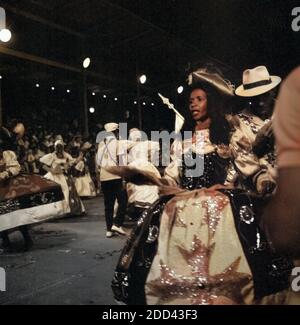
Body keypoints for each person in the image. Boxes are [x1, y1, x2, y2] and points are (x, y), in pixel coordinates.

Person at [111, 67, 294, 305]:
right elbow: (174, 174)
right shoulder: (183, 139)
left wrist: (260, 179)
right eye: (191, 101)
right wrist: (160, 182)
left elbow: (245, 164)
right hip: (181, 208)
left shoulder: (228, 133)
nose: (194, 105)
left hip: (221, 206)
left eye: (199, 99)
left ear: (211, 102)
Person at [0, 127, 65, 251]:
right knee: (1, 216)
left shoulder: (6, 153)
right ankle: (5, 240)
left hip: (9, 187)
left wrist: (4, 174)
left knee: (16, 215)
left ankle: (27, 239)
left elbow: (15, 168)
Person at [262, 67, 300, 258]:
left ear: (271, 94)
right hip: (268, 183)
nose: (260, 101)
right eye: (257, 97)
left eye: (264, 96)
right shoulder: (242, 123)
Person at [231, 66, 281, 195]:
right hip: (262, 190)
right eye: (254, 98)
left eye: (264, 96)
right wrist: (257, 146)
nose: (260, 103)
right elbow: (242, 158)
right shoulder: (239, 122)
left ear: (273, 91)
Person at [96, 123, 127, 238]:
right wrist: (124, 178)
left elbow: (98, 163)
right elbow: (122, 162)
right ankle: (117, 224)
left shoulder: (101, 144)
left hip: (104, 177)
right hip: (116, 176)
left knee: (108, 204)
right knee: (123, 200)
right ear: (116, 132)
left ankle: (109, 230)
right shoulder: (119, 143)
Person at [40, 139, 85, 216]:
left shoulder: (66, 155)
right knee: (57, 192)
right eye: (58, 147)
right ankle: (58, 211)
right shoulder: (51, 156)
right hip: (54, 176)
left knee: (66, 191)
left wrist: (79, 158)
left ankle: (67, 210)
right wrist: (51, 170)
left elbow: (72, 163)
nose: (59, 148)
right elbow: (42, 164)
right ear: (55, 147)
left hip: (63, 176)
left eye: (60, 147)